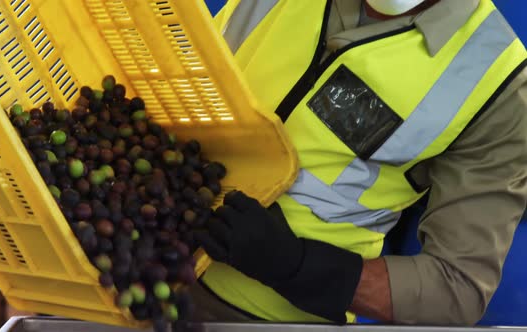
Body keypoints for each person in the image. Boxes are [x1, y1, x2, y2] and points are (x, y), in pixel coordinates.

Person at [191, 0, 527, 326]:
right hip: (147, 256)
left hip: (268, 318)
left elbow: (457, 288)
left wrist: (295, 265)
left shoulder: (499, 81)